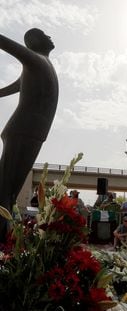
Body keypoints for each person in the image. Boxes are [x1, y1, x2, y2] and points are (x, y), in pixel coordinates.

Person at [0, 29, 59, 242]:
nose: (50, 37)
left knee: (10, 192)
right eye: (45, 34)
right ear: (33, 42)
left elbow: (16, 86)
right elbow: (6, 43)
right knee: (4, 189)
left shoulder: (40, 63)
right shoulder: (33, 59)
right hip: (22, 130)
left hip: (33, 132)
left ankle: (5, 242)